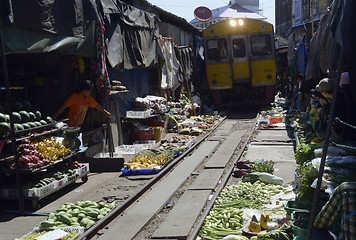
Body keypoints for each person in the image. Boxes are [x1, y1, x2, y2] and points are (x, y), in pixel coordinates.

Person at [315, 77, 356, 144]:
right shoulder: (343, 92)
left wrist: (325, 104)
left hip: (347, 135)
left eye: (321, 92)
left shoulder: (337, 101)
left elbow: (333, 115)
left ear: (325, 93)